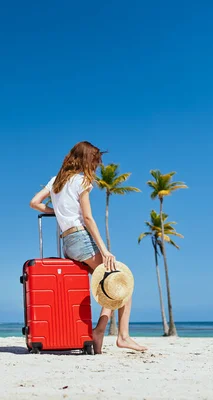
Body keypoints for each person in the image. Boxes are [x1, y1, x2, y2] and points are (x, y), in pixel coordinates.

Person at [29, 141, 146, 354]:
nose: (95, 166)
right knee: (121, 282)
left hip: (68, 243)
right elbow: (88, 218)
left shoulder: (55, 181)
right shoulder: (81, 181)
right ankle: (121, 336)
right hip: (82, 239)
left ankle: (101, 331)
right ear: (86, 160)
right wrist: (105, 249)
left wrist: (59, 213)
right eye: (94, 162)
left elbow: (34, 203)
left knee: (111, 285)